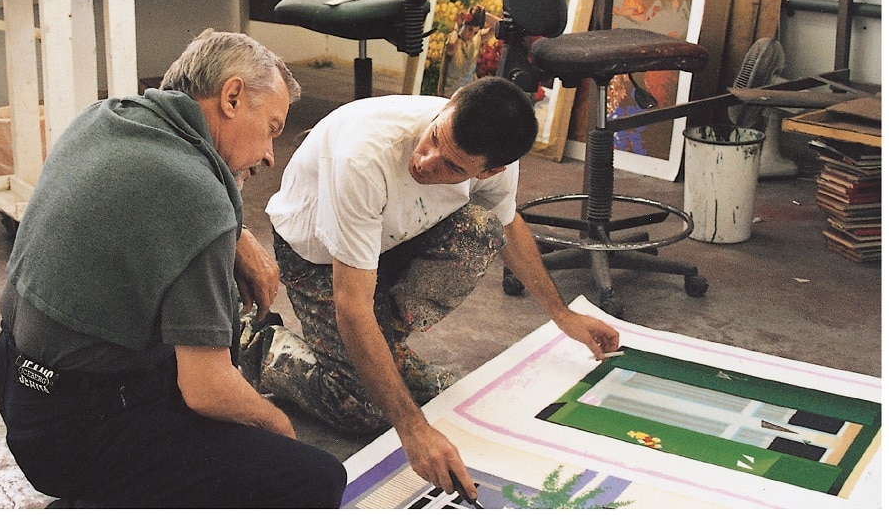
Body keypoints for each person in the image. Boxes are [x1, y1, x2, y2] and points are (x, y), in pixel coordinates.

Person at [0, 29, 347, 508]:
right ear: (233, 96)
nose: (269, 155)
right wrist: (278, 427)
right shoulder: (198, 200)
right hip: (71, 436)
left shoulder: (103, 118)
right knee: (314, 476)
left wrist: (237, 237)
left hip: (16, 384)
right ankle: (104, 495)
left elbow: (164, 192)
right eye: (273, 128)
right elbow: (205, 389)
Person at [244, 75, 620, 503]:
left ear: (490, 169)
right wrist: (413, 429)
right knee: (363, 408)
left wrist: (564, 316)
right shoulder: (363, 157)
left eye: (454, 166)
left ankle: (388, 349)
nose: (426, 160)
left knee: (481, 230)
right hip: (315, 255)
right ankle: (256, 344)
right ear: (450, 104)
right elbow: (353, 307)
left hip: (394, 238)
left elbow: (509, 227)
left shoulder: (495, 159)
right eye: (435, 137)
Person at [437, 5, 499, 97]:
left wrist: (481, 15)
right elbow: (452, 44)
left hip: (467, 95)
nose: (471, 35)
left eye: (475, 32)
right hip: (448, 96)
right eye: (470, 29)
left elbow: (498, 26)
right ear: (465, 24)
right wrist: (456, 25)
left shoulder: (476, 39)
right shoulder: (454, 40)